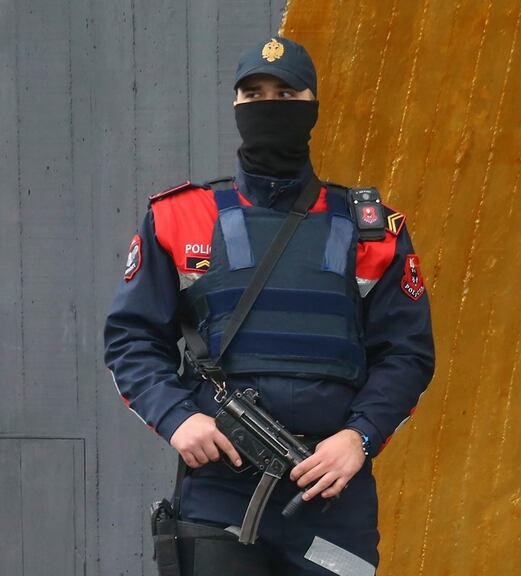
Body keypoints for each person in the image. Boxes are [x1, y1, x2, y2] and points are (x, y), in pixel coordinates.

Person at [104, 36, 434, 575]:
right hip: (218, 491)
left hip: (332, 494)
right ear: (236, 107)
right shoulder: (179, 217)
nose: (269, 104)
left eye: (286, 92)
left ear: (312, 107)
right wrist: (177, 417)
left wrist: (360, 438)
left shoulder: (372, 231)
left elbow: (407, 354)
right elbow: (131, 342)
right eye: (253, 93)